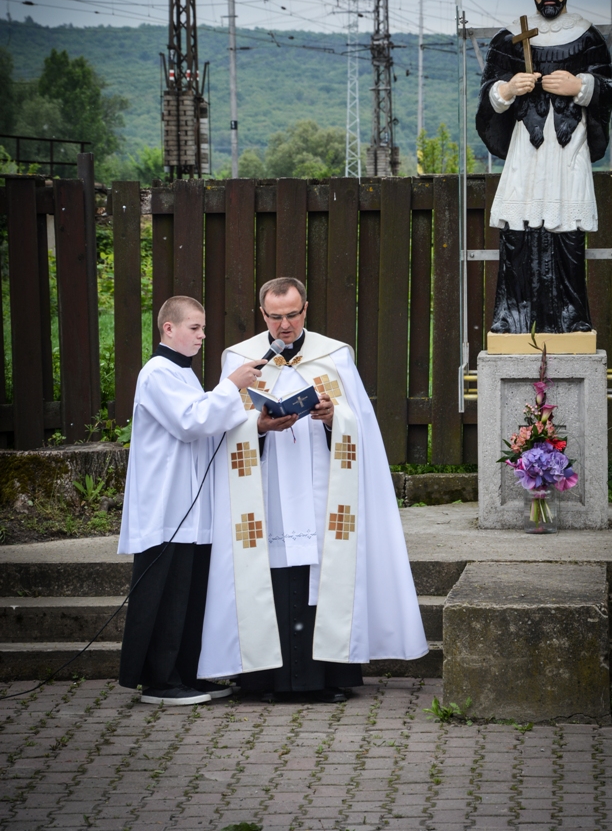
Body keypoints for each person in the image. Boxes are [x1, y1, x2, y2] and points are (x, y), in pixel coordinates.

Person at [198, 277, 428, 701]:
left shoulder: (334, 355)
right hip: (264, 492)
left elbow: (360, 423)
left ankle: (327, 677)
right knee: (266, 571)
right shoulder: (241, 358)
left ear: (305, 309)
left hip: (323, 490)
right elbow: (222, 426)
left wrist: (332, 417)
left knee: (325, 571)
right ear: (262, 314)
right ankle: (263, 679)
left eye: (292, 314)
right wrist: (259, 426)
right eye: (274, 317)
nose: (284, 325)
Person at [118, 295, 265, 705]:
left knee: (189, 594)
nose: (202, 335)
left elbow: (210, 421)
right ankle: (159, 682)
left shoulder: (184, 374)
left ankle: (186, 673)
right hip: (165, 505)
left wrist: (258, 421)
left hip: (190, 506)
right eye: (194, 327)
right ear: (169, 328)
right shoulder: (157, 373)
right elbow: (191, 422)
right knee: (165, 595)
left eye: (203, 328)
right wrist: (231, 385)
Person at [475, 0, 612, 334]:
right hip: (527, 147)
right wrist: (508, 89)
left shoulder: (587, 37)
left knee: (566, 227)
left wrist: (580, 86)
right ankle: (513, 317)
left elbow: (607, 88)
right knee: (519, 227)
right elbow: (487, 92)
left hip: (569, 146)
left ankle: (570, 318)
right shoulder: (511, 37)